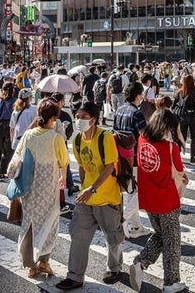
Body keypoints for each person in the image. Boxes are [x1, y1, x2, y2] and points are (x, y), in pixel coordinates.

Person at [56, 102, 124, 290]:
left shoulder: (105, 137)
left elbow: (110, 166)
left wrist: (92, 188)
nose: (79, 120)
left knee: (113, 237)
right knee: (78, 234)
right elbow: (82, 166)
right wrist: (83, 187)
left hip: (107, 198)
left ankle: (115, 267)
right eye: (78, 116)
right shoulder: (77, 139)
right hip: (86, 198)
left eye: (84, 117)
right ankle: (75, 276)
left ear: (93, 119)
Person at [129, 109, 188, 293]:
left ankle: (141, 262)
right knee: (172, 242)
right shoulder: (170, 147)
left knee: (161, 235)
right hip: (167, 200)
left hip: (148, 198)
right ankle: (171, 282)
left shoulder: (142, 139)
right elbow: (179, 169)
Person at [14, 99, 68, 278]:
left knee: (30, 223)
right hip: (48, 188)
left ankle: (31, 265)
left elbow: (18, 157)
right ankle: (44, 262)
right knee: (49, 224)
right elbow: (63, 162)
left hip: (29, 188)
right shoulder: (56, 138)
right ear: (53, 118)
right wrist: (63, 178)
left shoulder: (28, 135)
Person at [113, 81, 150, 239]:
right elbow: (145, 135)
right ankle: (124, 218)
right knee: (142, 191)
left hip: (120, 156)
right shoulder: (137, 113)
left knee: (130, 190)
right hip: (135, 157)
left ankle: (136, 226)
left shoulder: (119, 110)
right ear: (137, 96)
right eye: (141, 94)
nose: (142, 97)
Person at [174, 75, 195, 163]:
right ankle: (192, 156)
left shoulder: (180, 91)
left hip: (182, 116)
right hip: (192, 115)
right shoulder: (194, 91)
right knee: (193, 137)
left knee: (182, 136)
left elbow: (174, 104)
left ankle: (178, 155)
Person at [0, 82, 17, 181]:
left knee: (0, 149)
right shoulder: (15, 101)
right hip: (9, 125)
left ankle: (3, 168)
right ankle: (2, 173)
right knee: (9, 150)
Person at [10, 89, 36, 158]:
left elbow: (12, 128)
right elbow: (35, 126)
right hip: (29, 140)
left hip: (17, 139)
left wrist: (12, 141)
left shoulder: (15, 110)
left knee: (17, 162)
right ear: (28, 98)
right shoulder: (33, 110)